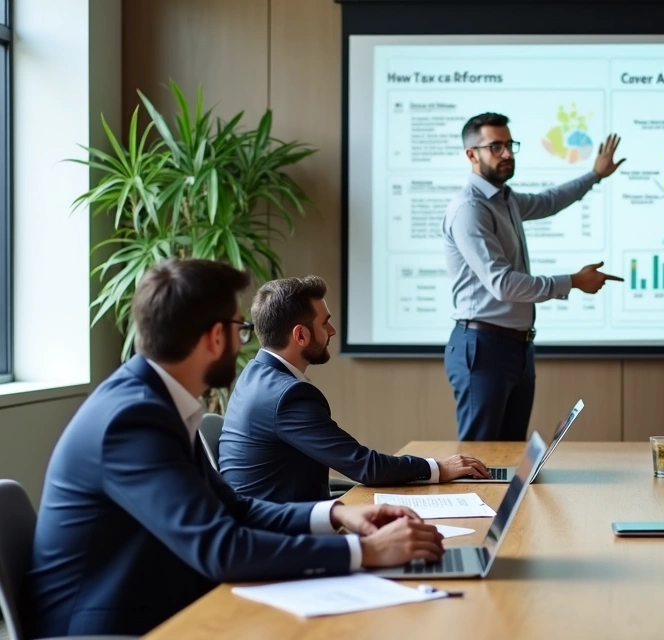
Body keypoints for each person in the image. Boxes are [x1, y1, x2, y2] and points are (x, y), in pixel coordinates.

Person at [24, 260, 444, 637]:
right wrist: (366, 551)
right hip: (112, 626)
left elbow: (235, 507)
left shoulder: (152, 402)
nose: (246, 341)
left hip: (161, 600)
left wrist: (339, 514)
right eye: (240, 328)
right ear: (214, 338)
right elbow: (221, 549)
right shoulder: (131, 420)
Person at [221, 276, 491, 502]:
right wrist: (439, 468)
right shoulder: (287, 396)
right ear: (300, 335)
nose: (333, 330)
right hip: (280, 538)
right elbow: (365, 466)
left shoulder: (253, 376)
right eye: (325, 322)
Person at [443, 112, 625, 441]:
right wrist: (572, 281)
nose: (507, 154)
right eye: (495, 146)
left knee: (510, 455)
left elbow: (548, 202)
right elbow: (502, 283)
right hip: (483, 346)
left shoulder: (505, 199)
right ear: (472, 154)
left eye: (509, 144)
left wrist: (595, 175)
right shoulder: (470, 209)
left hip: (516, 346)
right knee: (480, 457)